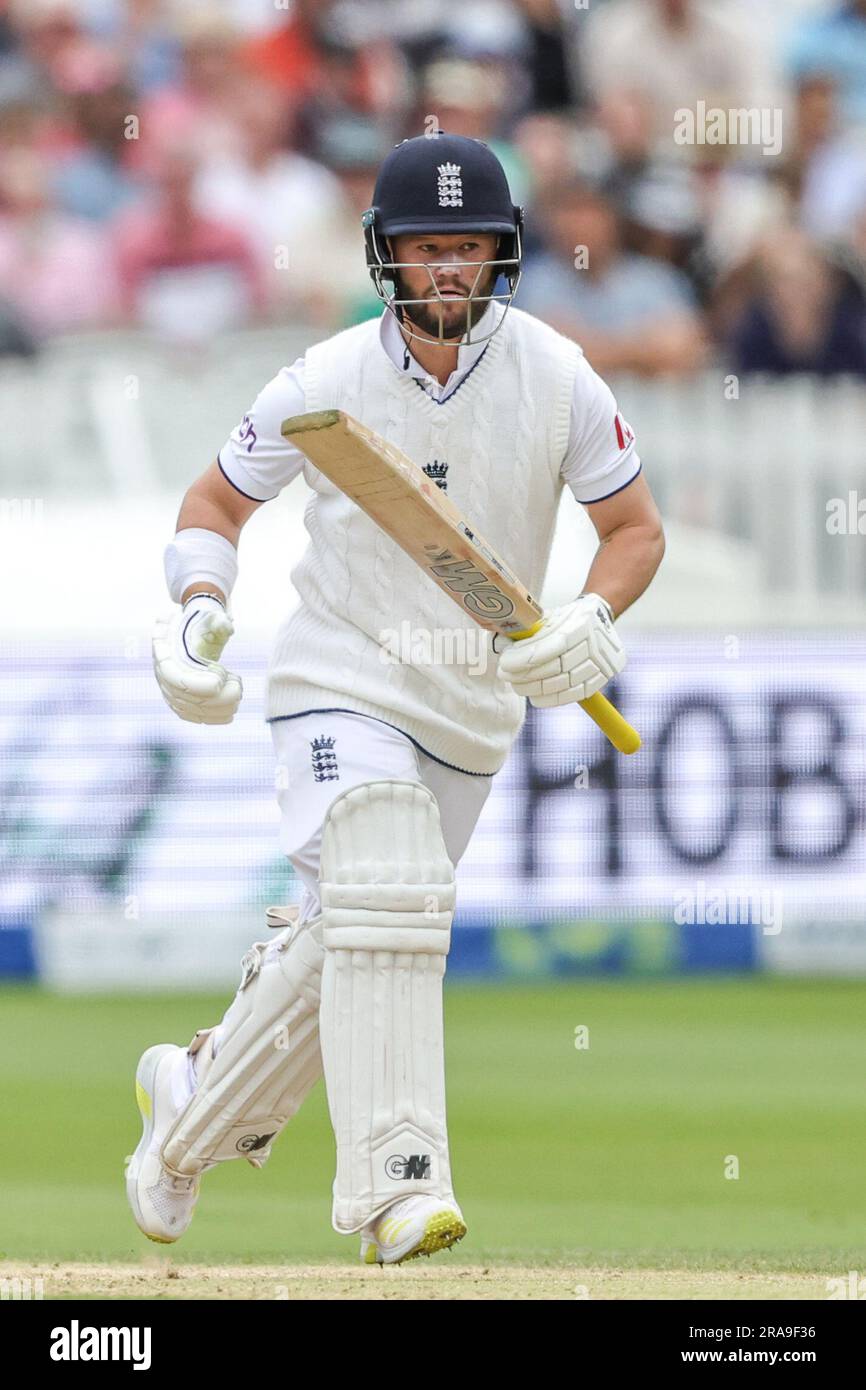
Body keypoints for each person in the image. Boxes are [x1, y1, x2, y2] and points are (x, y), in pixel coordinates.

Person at [125, 133, 665, 1265]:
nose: (448, 272)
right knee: (387, 884)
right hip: (339, 675)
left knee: (362, 937)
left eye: (469, 249)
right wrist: (198, 604)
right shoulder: (324, 380)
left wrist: (589, 619)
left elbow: (633, 531)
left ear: (501, 256)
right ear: (386, 259)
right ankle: (398, 1186)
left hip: (471, 708)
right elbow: (212, 502)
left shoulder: (556, 373)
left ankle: (187, 1111)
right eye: (428, 250)